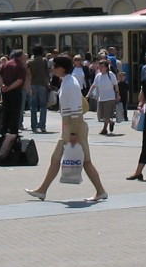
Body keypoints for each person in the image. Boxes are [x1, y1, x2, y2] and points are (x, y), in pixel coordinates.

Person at [27, 54, 109, 202]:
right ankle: (42, 190)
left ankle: (101, 191)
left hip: (74, 126)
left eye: (56, 66)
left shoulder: (70, 83)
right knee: (56, 158)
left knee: (86, 161)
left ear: (63, 68)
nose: (53, 69)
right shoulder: (67, 81)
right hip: (70, 126)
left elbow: (75, 111)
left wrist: (72, 133)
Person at [0, 50, 27, 137]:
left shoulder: (6, 64)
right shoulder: (21, 66)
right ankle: (13, 131)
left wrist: (3, 85)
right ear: (20, 57)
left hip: (5, 91)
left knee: (6, 110)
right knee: (15, 111)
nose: (25, 58)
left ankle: (4, 129)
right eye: (24, 56)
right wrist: (10, 88)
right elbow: (19, 80)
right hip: (15, 91)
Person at [90, 59, 119, 136]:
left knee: (106, 116)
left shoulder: (111, 74)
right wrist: (88, 94)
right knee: (101, 116)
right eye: (99, 66)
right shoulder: (98, 76)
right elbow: (93, 85)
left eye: (102, 66)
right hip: (101, 98)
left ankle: (105, 129)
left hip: (110, 98)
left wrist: (117, 94)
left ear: (106, 67)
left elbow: (116, 85)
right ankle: (111, 123)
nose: (100, 68)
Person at [27, 48, 51, 135]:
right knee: (43, 106)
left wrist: (28, 86)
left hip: (33, 84)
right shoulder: (44, 60)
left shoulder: (29, 62)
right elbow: (46, 73)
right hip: (42, 85)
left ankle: (34, 126)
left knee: (33, 106)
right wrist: (48, 83)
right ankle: (42, 126)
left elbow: (28, 74)